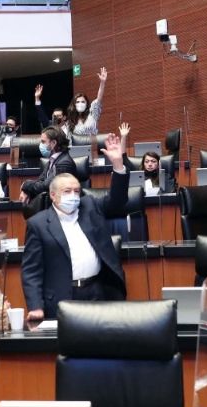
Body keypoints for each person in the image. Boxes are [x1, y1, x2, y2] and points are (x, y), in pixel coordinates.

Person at [20, 133, 129, 320]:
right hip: (62, 298)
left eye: (77, 191)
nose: (74, 196)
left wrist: (118, 165)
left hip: (97, 292)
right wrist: (35, 306)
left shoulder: (90, 206)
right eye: (67, 191)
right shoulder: (38, 224)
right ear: (53, 195)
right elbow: (31, 271)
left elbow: (117, 202)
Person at [18, 126, 76, 202]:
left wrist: (26, 185)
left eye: (43, 142)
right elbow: (40, 181)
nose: (40, 145)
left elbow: (47, 186)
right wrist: (26, 191)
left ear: (53, 143)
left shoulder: (64, 163)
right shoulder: (53, 160)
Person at [64, 67, 108, 136]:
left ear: (87, 103)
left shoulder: (92, 114)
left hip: (92, 145)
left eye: (83, 102)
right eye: (78, 102)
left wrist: (102, 82)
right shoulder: (70, 122)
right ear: (74, 104)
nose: (80, 104)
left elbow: (99, 99)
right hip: (78, 146)